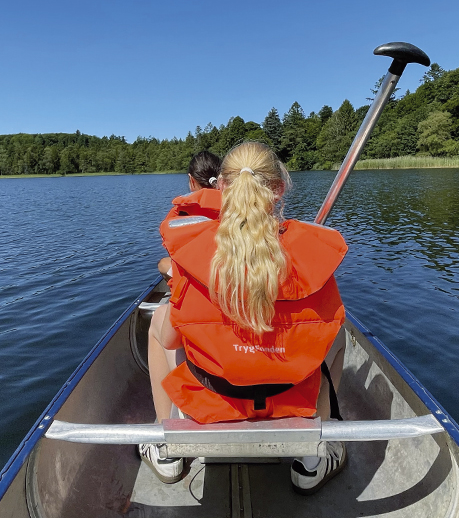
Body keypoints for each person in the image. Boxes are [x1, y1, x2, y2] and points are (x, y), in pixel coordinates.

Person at [142, 141, 349, 494]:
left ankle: (166, 451)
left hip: (211, 404)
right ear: (279, 189)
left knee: (160, 325)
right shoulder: (311, 256)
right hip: (290, 404)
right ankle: (312, 462)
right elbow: (324, 333)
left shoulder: (193, 255)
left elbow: (173, 338)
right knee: (339, 336)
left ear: (221, 187)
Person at [156, 151, 222, 280]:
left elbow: (174, 251)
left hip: (199, 278)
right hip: (230, 274)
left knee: (163, 264)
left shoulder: (178, 214)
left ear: (191, 180)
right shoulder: (237, 205)